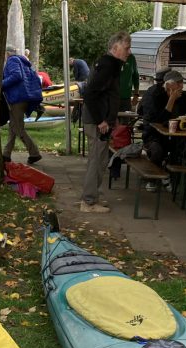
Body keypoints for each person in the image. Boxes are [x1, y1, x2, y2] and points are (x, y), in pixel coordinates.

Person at [80, 32, 131, 214]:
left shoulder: (111, 65)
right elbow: (90, 93)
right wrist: (101, 119)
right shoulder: (108, 65)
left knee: (100, 160)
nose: (129, 52)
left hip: (101, 121)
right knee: (96, 160)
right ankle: (88, 202)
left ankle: (93, 196)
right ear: (115, 47)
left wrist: (111, 117)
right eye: (126, 48)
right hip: (96, 122)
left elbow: (108, 94)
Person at [140, 69, 186, 190]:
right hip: (154, 135)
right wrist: (171, 100)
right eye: (179, 83)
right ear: (169, 85)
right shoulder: (155, 95)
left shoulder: (183, 97)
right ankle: (153, 179)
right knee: (157, 151)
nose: (182, 86)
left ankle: (173, 174)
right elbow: (157, 122)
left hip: (176, 136)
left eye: (181, 83)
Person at [1, 46, 44, 165]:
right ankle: (6, 154)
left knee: (18, 128)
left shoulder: (12, 60)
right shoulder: (23, 61)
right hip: (24, 97)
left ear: (7, 53)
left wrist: (0, 84)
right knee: (13, 126)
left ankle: (34, 153)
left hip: (17, 98)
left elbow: (17, 76)